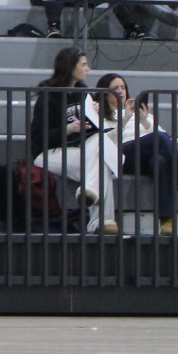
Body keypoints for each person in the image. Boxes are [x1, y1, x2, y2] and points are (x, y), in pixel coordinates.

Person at [29, 47, 119, 235]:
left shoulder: (84, 93)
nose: (88, 69)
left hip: (79, 149)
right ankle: (102, 221)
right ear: (71, 68)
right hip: (49, 152)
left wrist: (95, 114)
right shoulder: (49, 96)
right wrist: (68, 129)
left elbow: (91, 129)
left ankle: (91, 195)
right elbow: (39, 137)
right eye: (84, 65)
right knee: (101, 163)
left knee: (99, 154)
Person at [96, 73, 178, 235]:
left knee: (160, 161)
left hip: (143, 155)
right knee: (158, 138)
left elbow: (165, 139)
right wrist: (125, 119)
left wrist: (144, 121)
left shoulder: (142, 113)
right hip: (121, 155)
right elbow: (105, 143)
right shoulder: (100, 115)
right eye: (115, 88)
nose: (120, 91)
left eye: (123, 87)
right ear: (105, 93)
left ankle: (167, 221)